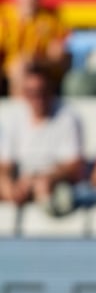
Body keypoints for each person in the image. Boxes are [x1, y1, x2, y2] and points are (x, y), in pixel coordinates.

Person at [0, 64, 85, 214]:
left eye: (42, 92)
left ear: (51, 90)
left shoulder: (68, 117)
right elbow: (5, 165)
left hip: (54, 185)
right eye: (31, 92)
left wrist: (46, 179)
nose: (37, 98)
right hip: (22, 183)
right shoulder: (13, 118)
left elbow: (74, 166)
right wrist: (9, 185)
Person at [0, 0, 71, 96]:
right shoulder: (4, 19)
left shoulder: (51, 21)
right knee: (19, 68)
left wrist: (37, 60)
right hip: (8, 74)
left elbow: (60, 54)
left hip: (42, 70)